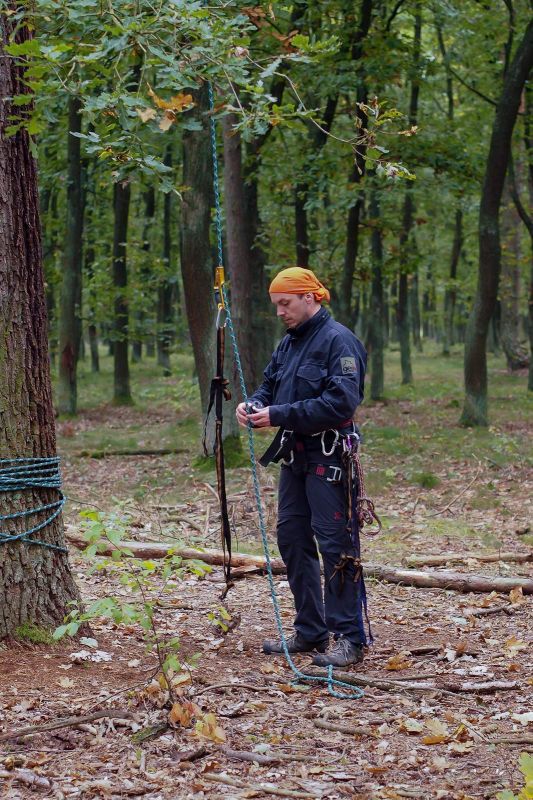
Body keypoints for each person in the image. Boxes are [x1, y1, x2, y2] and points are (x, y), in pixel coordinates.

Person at [236, 267, 370, 668]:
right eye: (276, 304)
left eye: (285, 303)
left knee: (337, 546)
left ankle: (349, 637)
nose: (280, 312)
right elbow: (268, 385)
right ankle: (311, 630)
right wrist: (256, 405)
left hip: (329, 459)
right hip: (294, 458)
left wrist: (279, 413)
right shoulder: (288, 344)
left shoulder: (339, 342)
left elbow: (341, 404)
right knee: (292, 539)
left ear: (309, 298)